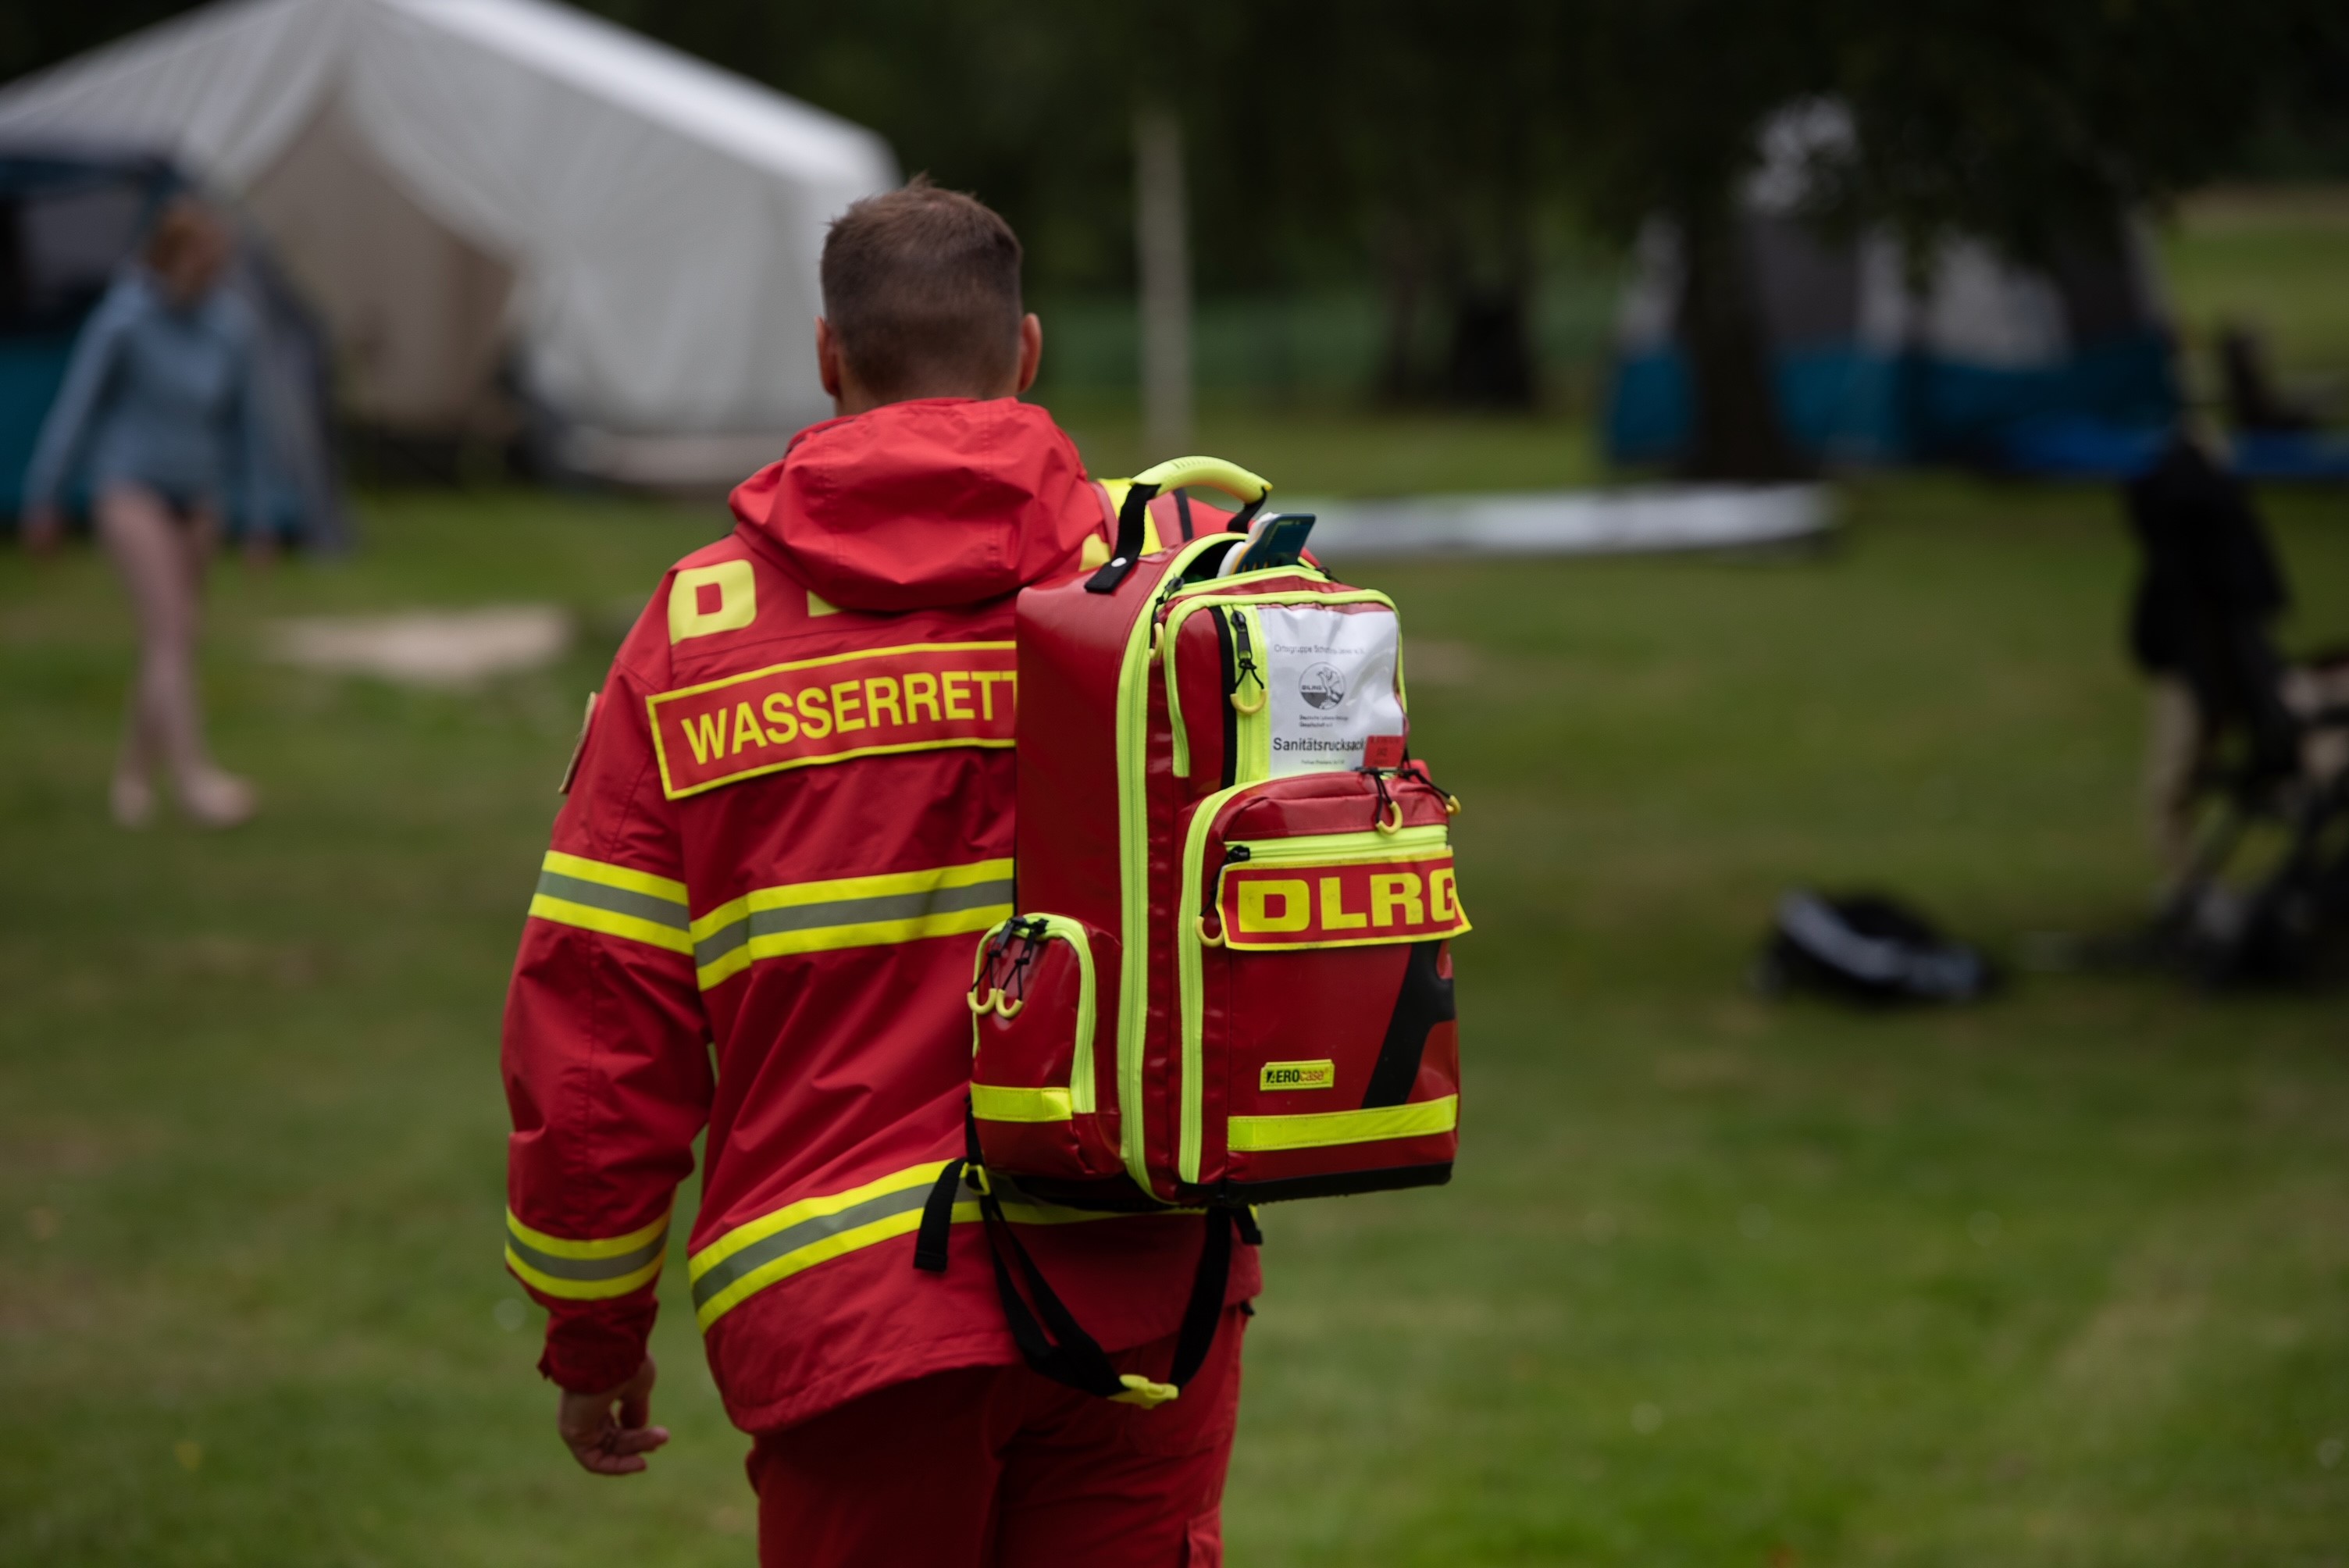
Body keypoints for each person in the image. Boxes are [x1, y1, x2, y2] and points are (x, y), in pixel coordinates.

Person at [501, 178, 1259, 1567]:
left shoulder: (696, 635)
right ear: (1025, 354)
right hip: (1145, 1281)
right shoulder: (1179, 577)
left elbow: (604, 1024)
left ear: (827, 357)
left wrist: (593, 1327)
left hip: (850, 1311)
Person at [20, 195, 264, 829]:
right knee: (170, 633)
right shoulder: (123, 320)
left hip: (199, 495)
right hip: (130, 488)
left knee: (173, 640)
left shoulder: (229, 326)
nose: (211, 269)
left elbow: (249, 426)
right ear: (171, 256)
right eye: (201, 256)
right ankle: (193, 781)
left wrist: (260, 512)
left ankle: (132, 779)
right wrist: (45, 495)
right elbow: (77, 407)